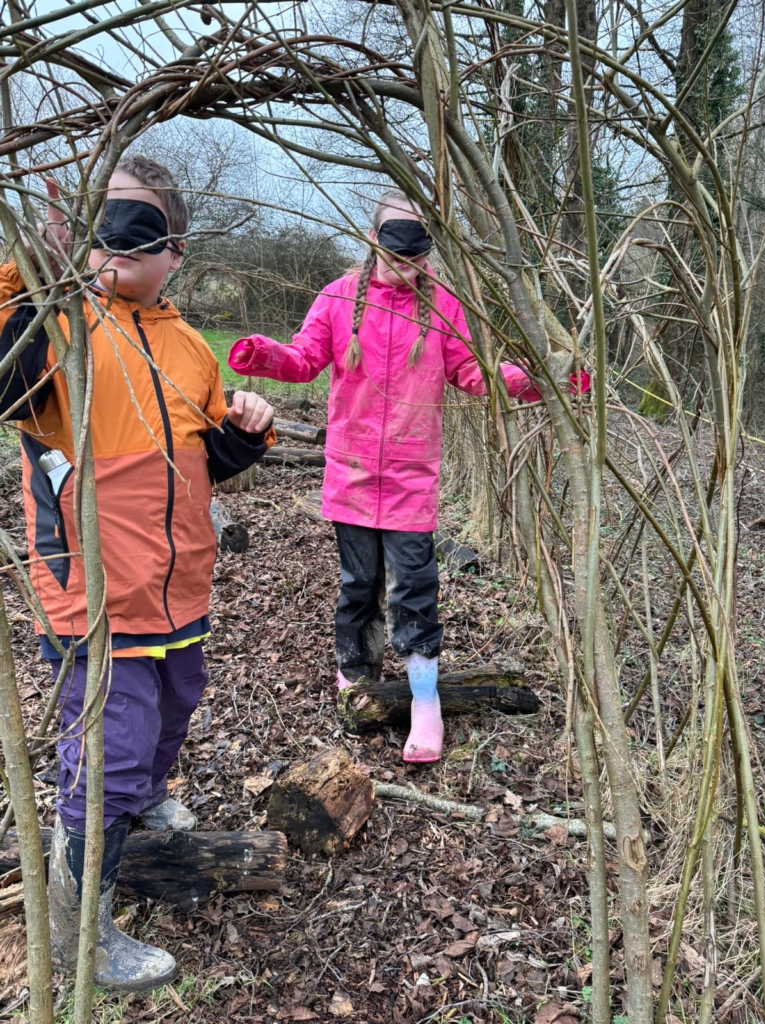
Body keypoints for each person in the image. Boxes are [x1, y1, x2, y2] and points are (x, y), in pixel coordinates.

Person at [0, 155, 276, 991]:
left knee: (176, 703)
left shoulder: (192, 347)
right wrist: (35, 280)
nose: (112, 244)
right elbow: (5, 391)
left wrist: (246, 435)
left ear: (175, 250)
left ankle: (146, 798)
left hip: (178, 584)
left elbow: (196, 461)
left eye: (135, 226)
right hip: (91, 592)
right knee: (109, 747)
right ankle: (82, 929)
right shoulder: (59, 325)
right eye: (99, 224)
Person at [228, 190, 568, 765]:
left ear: (428, 247)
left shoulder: (443, 305)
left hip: (412, 477)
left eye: (416, 248)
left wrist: (541, 382)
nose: (404, 260)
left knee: (414, 589)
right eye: (394, 245)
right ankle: (358, 683)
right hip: (352, 474)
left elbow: (472, 372)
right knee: (357, 587)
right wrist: (260, 355)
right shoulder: (338, 297)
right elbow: (305, 358)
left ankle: (425, 699)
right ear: (372, 238)